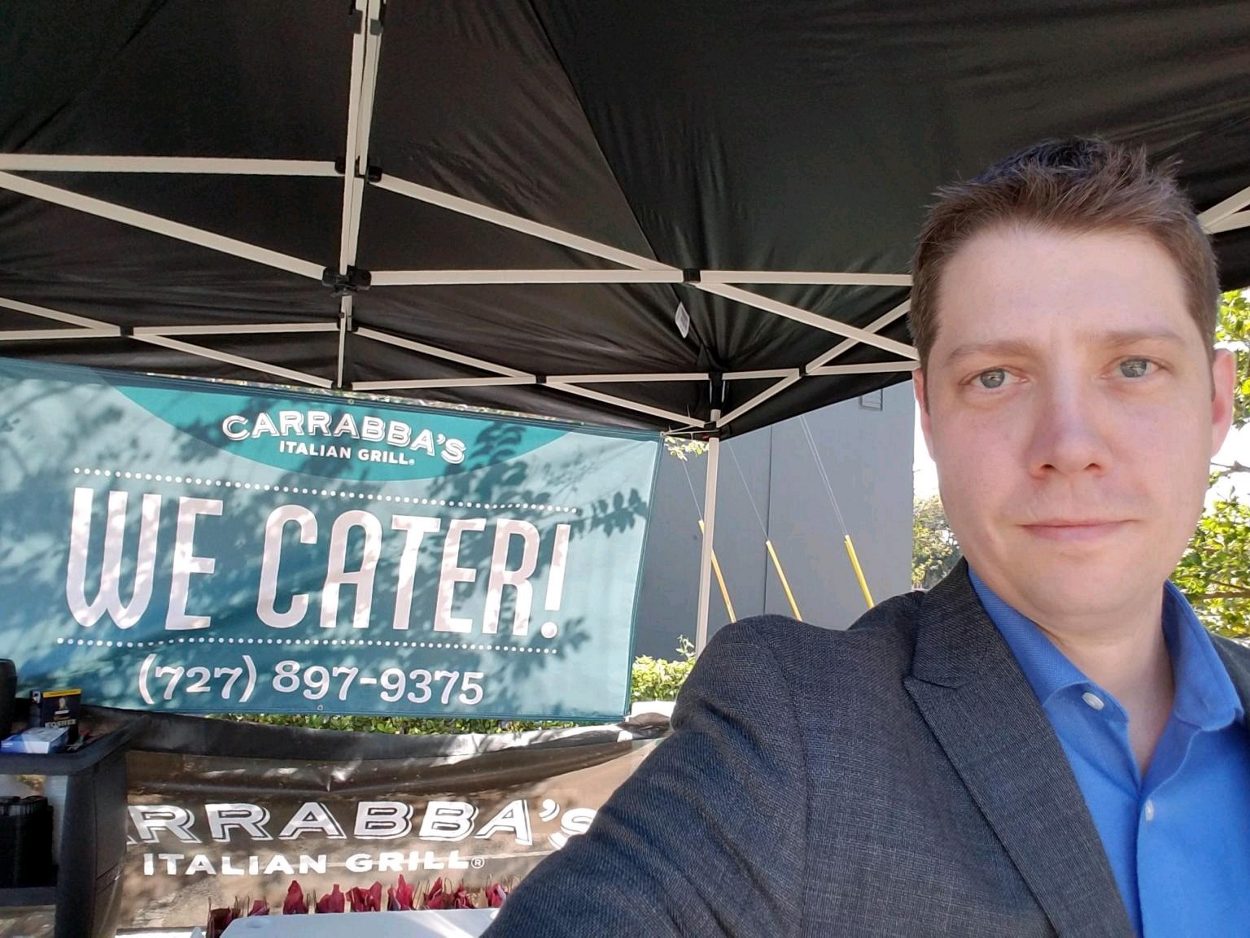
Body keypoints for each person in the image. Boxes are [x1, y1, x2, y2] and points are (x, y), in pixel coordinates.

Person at [484, 139, 1250, 936]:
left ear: (1217, 401)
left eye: (1133, 366)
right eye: (995, 377)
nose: (1068, 441)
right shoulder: (792, 736)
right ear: (929, 416)